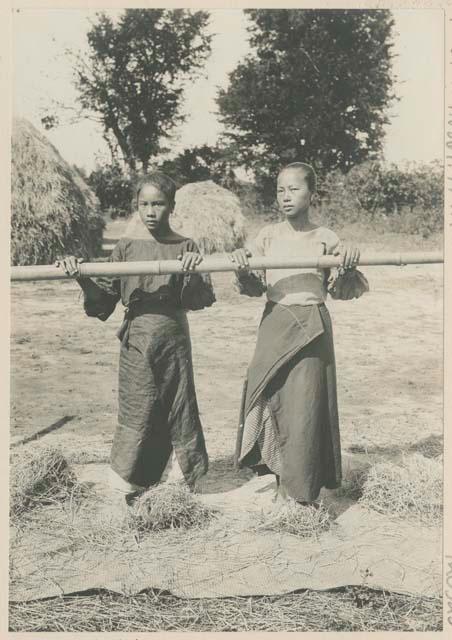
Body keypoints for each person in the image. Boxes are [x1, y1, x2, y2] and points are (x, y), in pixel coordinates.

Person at [57, 172, 215, 502]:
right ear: (136, 206)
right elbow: (103, 301)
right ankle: (129, 483)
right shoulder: (127, 248)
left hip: (173, 338)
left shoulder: (185, 247)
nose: (151, 211)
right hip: (136, 340)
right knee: (138, 406)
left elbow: (196, 300)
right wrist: (80, 277)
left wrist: (192, 271)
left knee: (176, 404)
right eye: (144, 204)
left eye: (158, 204)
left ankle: (177, 481)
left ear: (171, 206)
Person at [230, 162, 369, 507]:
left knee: (305, 406)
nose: (285, 196)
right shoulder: (267, 236)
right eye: (280, 190)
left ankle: (301, 491)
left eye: (294, 189)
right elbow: (249, 284)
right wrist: (241, 264)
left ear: (312, 194)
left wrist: (348, 263)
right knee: (270, 400)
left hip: (312, 327)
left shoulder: (326, 238)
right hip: (275, 323)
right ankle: (280, 481)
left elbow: (341, 289)